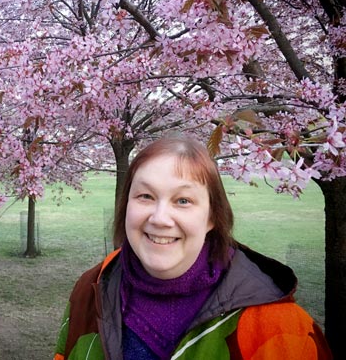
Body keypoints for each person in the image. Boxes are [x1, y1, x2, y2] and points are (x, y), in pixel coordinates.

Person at [53, 135, 332, 360]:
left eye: (183, 201)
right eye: (146, 196)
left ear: (212, 216)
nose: (160, 218)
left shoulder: (278, 326)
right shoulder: (90, 290)